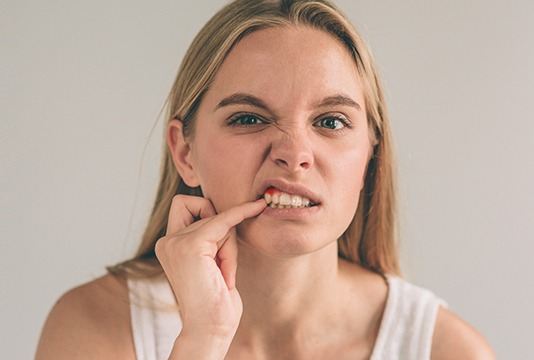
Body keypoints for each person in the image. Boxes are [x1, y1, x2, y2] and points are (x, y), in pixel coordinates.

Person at [35, 0, 495, 359]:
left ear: (370, 156)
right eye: (250, 118)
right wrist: (203, 340)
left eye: (331, 122)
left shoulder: (448, 352)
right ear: (185, 151)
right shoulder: (94, 327)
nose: (294, 155)